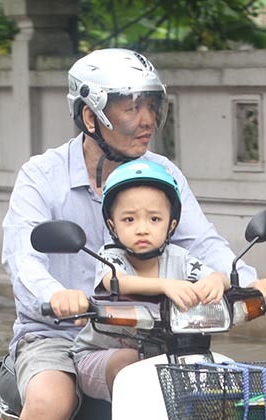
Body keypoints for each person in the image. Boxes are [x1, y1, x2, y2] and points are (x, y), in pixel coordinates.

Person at [0, 48, 266, 420]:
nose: (146, 119)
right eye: (130, 107)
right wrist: (56, 296)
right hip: (58, 334)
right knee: (49, 401)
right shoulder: (41, 177)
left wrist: (248, 279)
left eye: (152, 105)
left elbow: (204, 245)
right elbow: (24, 259)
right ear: (91, 116)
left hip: (154, 330)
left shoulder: (160, 171)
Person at [72, 160, 228, 400]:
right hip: (100, 355)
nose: (142, 229)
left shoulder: (180, 258)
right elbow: (118, 282)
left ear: (171, 225)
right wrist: (166, 285)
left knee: (216, 371)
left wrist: (218, 280)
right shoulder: (110, 256)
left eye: (154, 219)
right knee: (130, 363)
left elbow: (213, 275)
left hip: (165, 357)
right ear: (112, 226)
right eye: (129, 220)